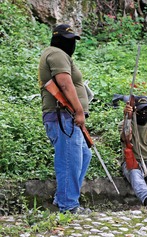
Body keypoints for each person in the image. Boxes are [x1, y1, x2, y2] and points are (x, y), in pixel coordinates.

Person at [38, 24, 92, 214]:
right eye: (68, 40)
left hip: (68, 118)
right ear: (57, 38)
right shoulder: (56, 53)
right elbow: (65, 84)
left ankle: (63, 198)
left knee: (84, 155)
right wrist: (78, 111)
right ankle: (68, 205)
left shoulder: (60, 55)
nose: (71, 44)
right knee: (69, 160)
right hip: (64, 117)